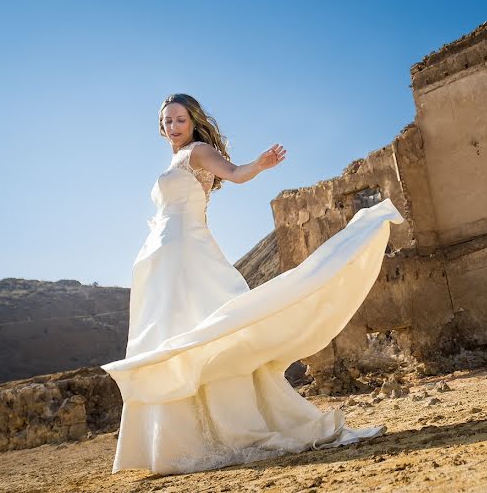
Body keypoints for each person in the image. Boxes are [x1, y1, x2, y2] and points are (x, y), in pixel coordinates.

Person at [102, 94, 403, 474]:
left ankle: (234, 425)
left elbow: (235, 174)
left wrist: (258, 165)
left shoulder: (198, 151)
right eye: (166, 122)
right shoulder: (176, 159)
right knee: (174, 333)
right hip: (164, 258)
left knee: (214, 330)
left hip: (187, 254)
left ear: (192, 121)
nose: (172, 127)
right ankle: (179, 437)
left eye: (179, 120)